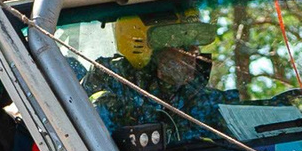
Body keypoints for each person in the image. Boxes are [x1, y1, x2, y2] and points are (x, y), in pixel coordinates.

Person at [90, 14, 242, 134]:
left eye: (195, 47)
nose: (193, 55)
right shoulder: (109, 80)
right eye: (183, 47)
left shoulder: (201, 99)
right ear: (154, 53)